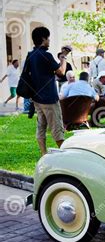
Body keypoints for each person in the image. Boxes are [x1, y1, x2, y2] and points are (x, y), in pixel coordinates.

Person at [28, 26, 67, 155]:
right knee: (56, 126)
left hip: (37, 98)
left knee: (41, 126)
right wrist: (63, 57)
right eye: (48, 38)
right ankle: (64, 154)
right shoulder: (46, 55)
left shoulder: (31, 55)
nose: (49, 41)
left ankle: (44, 153)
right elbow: (61, 72)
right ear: (43, 39)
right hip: (49, 98)